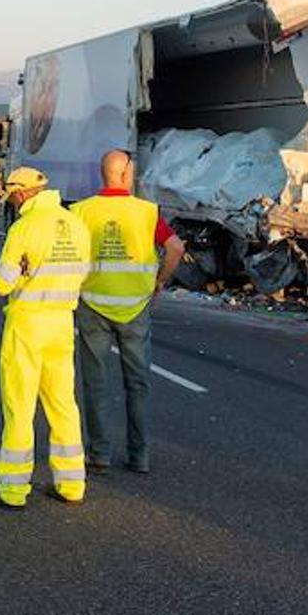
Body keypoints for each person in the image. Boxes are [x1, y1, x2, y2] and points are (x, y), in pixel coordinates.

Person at [71, 149, 185, 474]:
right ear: (125, 175)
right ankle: (139, 455)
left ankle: (100, 453)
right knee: (137, 383)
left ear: (102, 174)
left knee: (96, 383)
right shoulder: (147, 213)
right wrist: (160, 281)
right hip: (135, 307)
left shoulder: (82, 211)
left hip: (92, 305)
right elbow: (176, 247)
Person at [0, 167, 92, 509]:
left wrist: (2, 272)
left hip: (27, 324)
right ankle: (71, 483)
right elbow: (83, 273)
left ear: (20, 194)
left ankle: (14, 488)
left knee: (19, 406)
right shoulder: (76, 224)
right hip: (62, 322)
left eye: (12, 197)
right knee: (63, 404)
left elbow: (3, 283)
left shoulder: (24, 227)